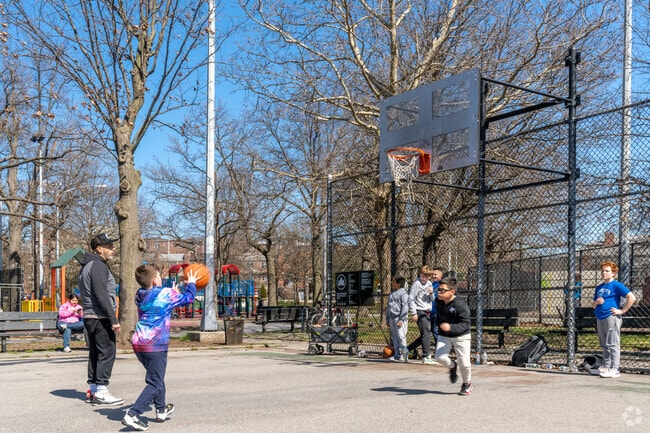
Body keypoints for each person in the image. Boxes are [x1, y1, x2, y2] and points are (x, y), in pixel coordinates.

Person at [121, 264, 197, 431]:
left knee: (157, 377)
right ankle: (132, 414)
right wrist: (190, 283)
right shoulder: (165, 294)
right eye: (160, 277)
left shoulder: (139, 294)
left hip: (139, 342)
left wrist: (172, 292)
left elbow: (160, 301)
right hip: (155, 345)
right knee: (155, 382)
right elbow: (189, 298)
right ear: (155, 281)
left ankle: (161, 410)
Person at [79, 233, 122, 405]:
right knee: (107, 352)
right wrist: (113, 318)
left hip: (91, 315)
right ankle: (102, 390)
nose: (113, 249)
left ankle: (95, 389)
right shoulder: (97, 265)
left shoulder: (88, 265)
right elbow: (101, 294)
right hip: (100, 315)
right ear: (99, 249)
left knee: (95, 352)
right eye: (109, 246)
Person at [592, 261, 636, 378]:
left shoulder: (616, 285)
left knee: (613, 343)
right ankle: (606, 367)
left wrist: (622, 311)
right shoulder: (599, 287)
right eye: (602, 271)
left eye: (607, 271)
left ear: (613, 273)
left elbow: (631, 297)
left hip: (611, 316)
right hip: (600, 317)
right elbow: (594, 304)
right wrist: (597, 302)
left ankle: (614, 368)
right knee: (604, 344)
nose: (604, 273)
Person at [434, 276, 473, 395]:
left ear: (452, 292)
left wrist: (451, 327)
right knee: (439, 357)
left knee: (465, 364)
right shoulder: (438, 301)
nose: (439, 292)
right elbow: (439, 317)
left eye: (442, 290)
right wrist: (441, 325)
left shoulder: (460, 305)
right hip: (444, 335)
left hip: (461, 336)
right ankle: (452, 366)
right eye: (438, 290)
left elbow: (466, 324)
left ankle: (467, 384)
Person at [406, 265, 435, 364]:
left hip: (427, 311)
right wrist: (413, 313)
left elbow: (432, 299)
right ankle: (426, 356)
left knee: (425, 334)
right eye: (422, 276)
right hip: (419, 311)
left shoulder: (429, 283)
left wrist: (431, 293)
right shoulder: (416, 284)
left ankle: (407, 349)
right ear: (420, 274)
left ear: (429, 277)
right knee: (426, 334)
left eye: (426, 277)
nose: (424, 278)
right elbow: (411, 299)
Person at [386, 276, 409, 362]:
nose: (392, 284)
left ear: (398, 284)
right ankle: (397, 355)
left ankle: (404, 354)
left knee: (401, 337)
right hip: (392, 318)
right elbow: (388, 307)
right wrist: (387, 319)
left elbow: (405, 307)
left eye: (393, 282)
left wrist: (401, 319)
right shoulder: (392, 294)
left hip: (399, 319)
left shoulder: (404, 294)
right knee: (394, 337)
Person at [429, 266, 444, 358]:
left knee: (435, 331)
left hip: (437, 312)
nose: (433, 276)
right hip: (430, 311)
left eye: (435, 274)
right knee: (429, 331)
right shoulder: (431, 284)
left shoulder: (441, 286)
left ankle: (439, 352)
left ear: (441, 277)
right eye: (432, 274)